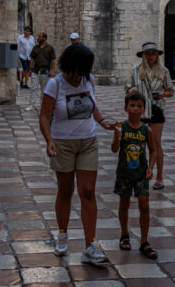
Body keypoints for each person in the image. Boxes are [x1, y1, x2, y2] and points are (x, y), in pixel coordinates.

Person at [39, 43, 116, 264]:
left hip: (88, 141)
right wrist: (49, 141)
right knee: (65, 191)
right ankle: (62, 235)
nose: (79, 77)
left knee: (88, 191)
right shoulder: (55, 85)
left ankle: (90, 244)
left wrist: (103, 122)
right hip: (62, 142)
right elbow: (44, 116)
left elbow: (92, 105)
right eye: (78, 71)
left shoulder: (88, 80)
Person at [111, 91, 158, 260]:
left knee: (144, 206)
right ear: (126, 108)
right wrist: (117, 138)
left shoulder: (147, 130)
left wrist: (151, 167)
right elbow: (114, 149)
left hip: (141, 173)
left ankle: (144, 241)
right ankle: (124, 234)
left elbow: (153, 150)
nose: (136, 109)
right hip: (124, 173)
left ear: (144, 109)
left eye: (139, 106)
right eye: (132, 105)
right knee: (124, 204)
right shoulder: (122, 127)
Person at [125, 42, 174, 190]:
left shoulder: (164, 71)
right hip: (140, 110)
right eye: (148, 54)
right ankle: (138, 175)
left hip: (157, 109)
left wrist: (162, 94)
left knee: (156, 143)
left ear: (157, 55)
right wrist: (131, 89)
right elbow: (127, 87)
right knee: (137, 143)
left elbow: (171, 91)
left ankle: (159, 177)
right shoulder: (136, 70)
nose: (151, 56)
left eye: (153, 54)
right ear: (144, 56)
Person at [29, 32, 57, 111]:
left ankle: (43, 105)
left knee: (44, 89)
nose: (38, 38)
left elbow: (53, 60)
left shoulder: (50, 48)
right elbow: (32, 58)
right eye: (38, 36)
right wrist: (30, 68)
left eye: (39, 36)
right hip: (35, 69)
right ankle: (32, 105)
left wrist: (51, 70)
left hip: (45, 70)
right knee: (33, 88)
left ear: (44, 38)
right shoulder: (35, 47)